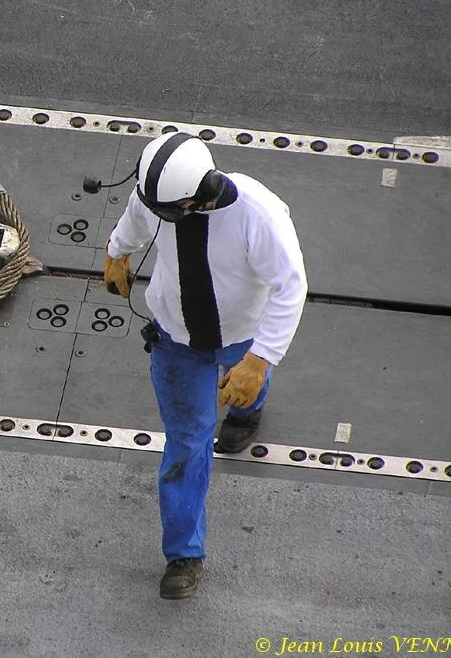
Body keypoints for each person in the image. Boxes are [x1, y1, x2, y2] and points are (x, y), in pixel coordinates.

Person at [104, 132, 307, 600]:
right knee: (188, 442)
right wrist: (117, 251)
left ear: (202, 195)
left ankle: (247, 410)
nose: (162, 218)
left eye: (170, 212)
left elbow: (290, 289)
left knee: (246, 386)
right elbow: (139, 213)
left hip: (242, 338)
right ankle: (184, 555)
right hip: (176, 340)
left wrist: (258, 362)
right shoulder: (163, 199)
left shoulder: (259, 215)